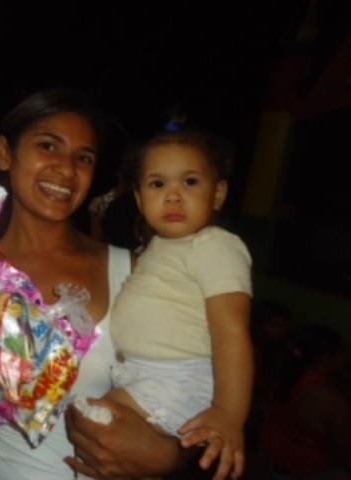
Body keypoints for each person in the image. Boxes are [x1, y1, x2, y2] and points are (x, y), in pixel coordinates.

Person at [0, 89, 198, 480]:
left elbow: (195, 392)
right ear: (5, 153)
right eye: (48, 146)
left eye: (84, 158)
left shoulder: (134, 272)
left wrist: (171, 458)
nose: (66, 169)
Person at [90, 127, 253, 479]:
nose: (173, 196)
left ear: (218, 193)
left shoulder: (215, 245)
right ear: (139, 199)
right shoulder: (157, 247)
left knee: (104, 435)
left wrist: (228, 413)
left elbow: (231, 331)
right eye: (157, 184)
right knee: (101, 443)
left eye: (190, 182)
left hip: (178, 380)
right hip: (141, 374)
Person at [260, 324, 351, 479]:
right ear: (327, 357)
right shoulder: (325, 398)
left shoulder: (285, 374)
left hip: (274, 457)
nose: (346, 357)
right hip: (306, 469)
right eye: (342, 352)